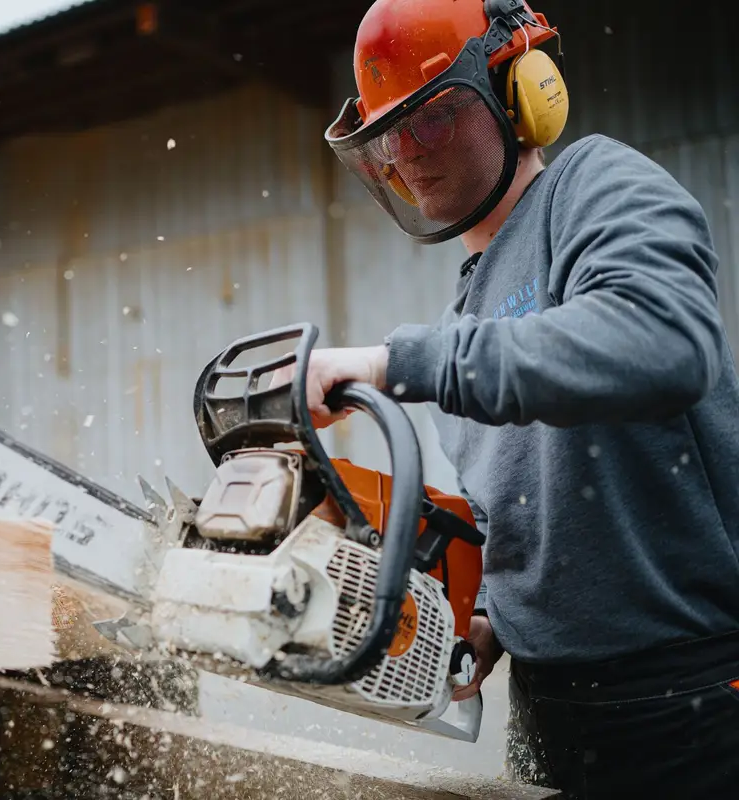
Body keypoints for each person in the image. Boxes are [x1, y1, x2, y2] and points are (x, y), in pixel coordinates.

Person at [271, 0, 739, 797]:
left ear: (519, 90)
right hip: (553, 710)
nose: (405, 155)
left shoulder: (594, 187)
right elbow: (513, 506)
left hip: (689, 701)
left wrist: (394, 363)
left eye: (431, 119)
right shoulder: (465, 318)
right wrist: (491, 613)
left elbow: (662, 341)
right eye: (387, 135)